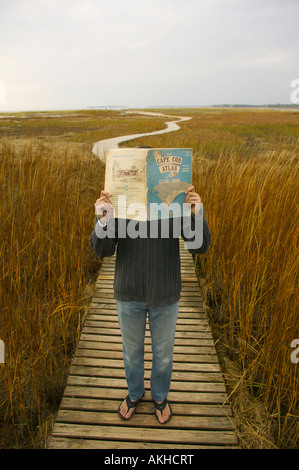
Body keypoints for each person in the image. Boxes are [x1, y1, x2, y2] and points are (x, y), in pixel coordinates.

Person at [89, 183, 211, 424]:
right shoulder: (121, 204)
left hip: (165, 292)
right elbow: (102, 250)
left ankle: (160, 396)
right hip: (128, 291)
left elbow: (199, 246)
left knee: (164, 355)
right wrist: (104, 218)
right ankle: (135, 393)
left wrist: (195, 214)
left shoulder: (173, 204)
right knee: (132, 354)